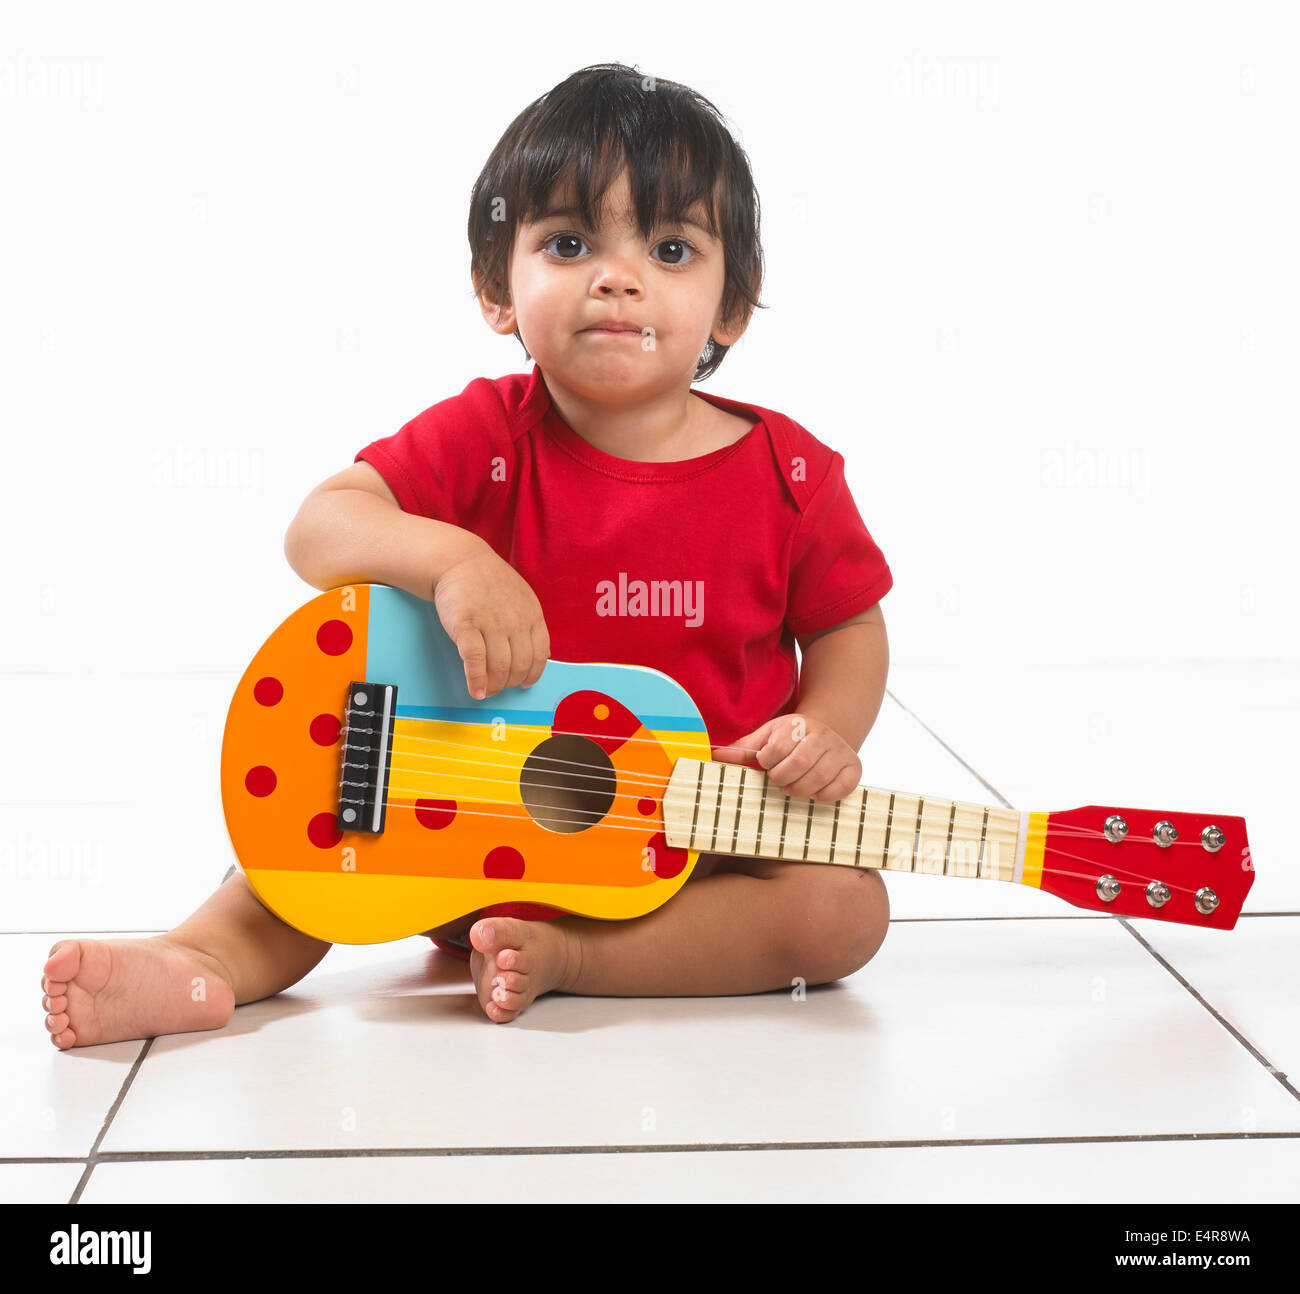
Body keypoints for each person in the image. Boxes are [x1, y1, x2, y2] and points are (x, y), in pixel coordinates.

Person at [40, 63, 893, 1046]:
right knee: (289, 870)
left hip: (689, 858)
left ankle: (572, 959)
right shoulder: (486, 433)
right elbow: (318, 526)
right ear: (497, 289)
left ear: (731, 309)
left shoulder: (791, 473)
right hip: (449, 825)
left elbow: (847, 626)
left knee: (843, 910)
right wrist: (453, 560)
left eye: (669, 247)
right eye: (568, 243)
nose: (616, 277)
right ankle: (198, 960)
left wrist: (825, 729)